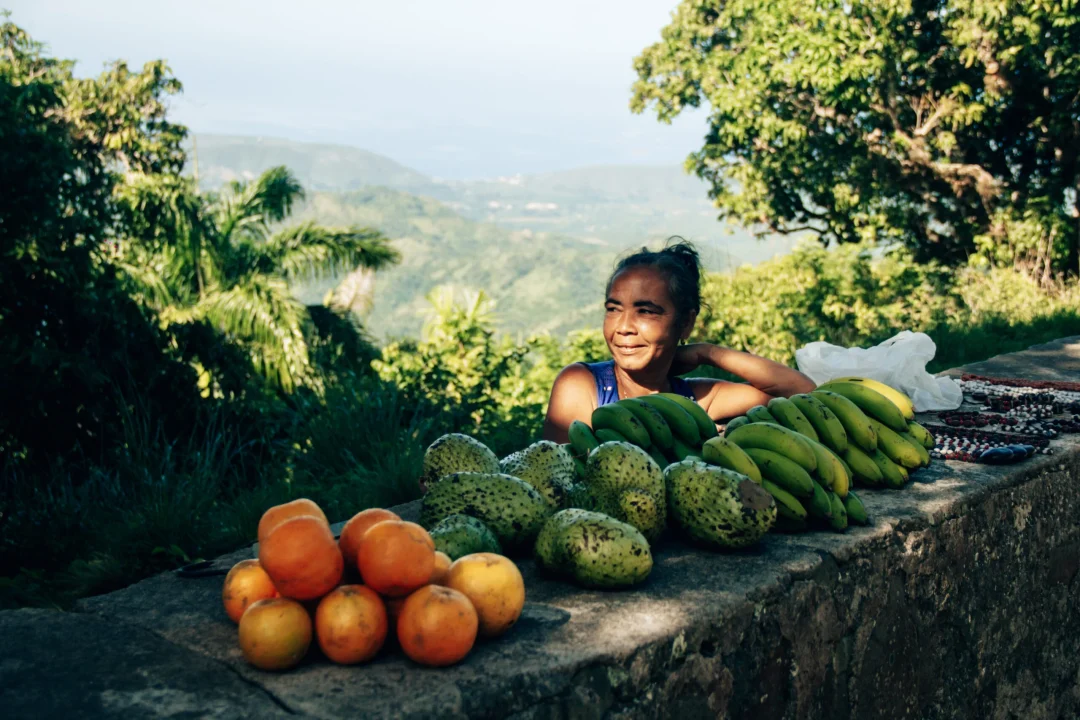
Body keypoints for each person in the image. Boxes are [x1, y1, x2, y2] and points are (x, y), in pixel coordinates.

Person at [542, 240, 816, 444]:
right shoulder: (582, 385)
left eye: (646, 311)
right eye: (613, 309)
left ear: (686, 322)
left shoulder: (695, 400)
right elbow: (563, 480)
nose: (623, 327)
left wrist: (706, 353)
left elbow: (801, 392)